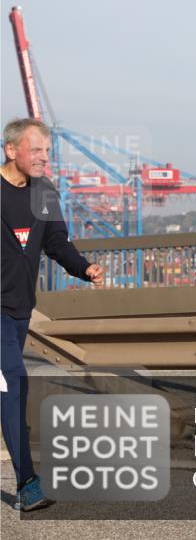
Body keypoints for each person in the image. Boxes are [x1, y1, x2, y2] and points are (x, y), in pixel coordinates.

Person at [1, 118, 104, 511]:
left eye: (47, 150)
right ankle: (28, 483)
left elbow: (57, 241)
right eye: (36, 150)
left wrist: (83, 267)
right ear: (12, 151)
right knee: (12, 381)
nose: (44, 157)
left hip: (19, 307)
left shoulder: (43, 192)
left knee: (12, 386)